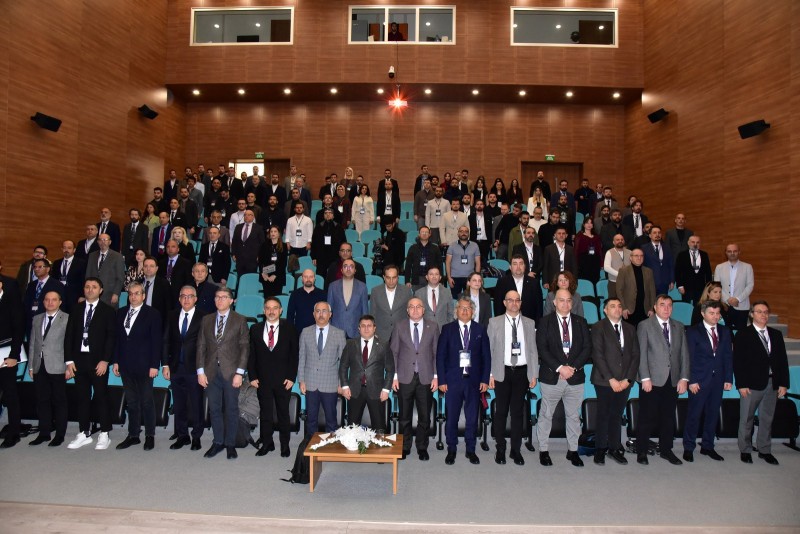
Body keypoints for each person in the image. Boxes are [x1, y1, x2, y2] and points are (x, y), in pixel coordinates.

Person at [535, 289, 592, 467]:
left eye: (568, 300)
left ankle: (573, 451)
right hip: (551, 376)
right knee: (546, 415)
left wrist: (571, 368)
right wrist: (560, 368)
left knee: (574, 416)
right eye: (561, 300)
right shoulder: (545, 322)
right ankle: (543, 450)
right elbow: (542, 348)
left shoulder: (581, 322)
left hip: (575, 377)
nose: (565, 304)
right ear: (554, 302)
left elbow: (587, 348)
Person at [635, 295, 690, 465]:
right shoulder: (645, 325)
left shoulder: (679, 326)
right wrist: (645, 378)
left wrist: (684, 378)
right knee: (646, 416)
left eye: (669, 305)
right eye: (662, 305)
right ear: (655, 307)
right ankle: (642, 451)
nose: (666, 308)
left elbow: (684, 354)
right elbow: (641, 354)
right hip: (651, 380)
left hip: (673, 380)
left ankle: (666, 450)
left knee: (668, 417)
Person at [734, 300, 790, 465]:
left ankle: (765, 450)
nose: (763, 315)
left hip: (772, 383)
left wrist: (783, 383)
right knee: (747, 419)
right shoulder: (743, 334)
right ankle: (745, 450)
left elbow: (782, 361)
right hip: (751, 385)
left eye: (766, 312)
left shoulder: (776, 334)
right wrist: (741, 384)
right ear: (752, 314)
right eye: (759, 311)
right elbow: (738, 362)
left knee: (767, 418)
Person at [436, 296, 491, 465]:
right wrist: (442, 380)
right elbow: (440, 356)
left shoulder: (480, 329)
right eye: (462, 308)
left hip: (474, 381)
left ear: (473, 312)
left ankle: (470, 450)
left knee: (472, 418)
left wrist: (485, 379)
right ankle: (451, 449)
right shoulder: (447, 329)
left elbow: (486, 357)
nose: (465, 311)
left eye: (468, 308)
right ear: (456, 311)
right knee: (452, 417)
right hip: (452, 381)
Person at [196, 287, 250, 460]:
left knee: (231, 409)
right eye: (217, 297)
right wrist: (200, 371)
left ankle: (230, 444)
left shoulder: (240, 320)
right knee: (214, 409)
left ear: (231, 300)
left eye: (224, 297)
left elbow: (244, 347)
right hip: (210, 372)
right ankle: (218, 441)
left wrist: (240, 373)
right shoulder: (207, 319)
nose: (220, 300)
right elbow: (201, 346)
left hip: (231, 372)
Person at [64, 278, 116, 450]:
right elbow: (69, 336)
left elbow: (111, 338)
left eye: (94, 287)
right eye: (87, 287)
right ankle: (83, 432)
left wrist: (105, 360)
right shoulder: (76, 309)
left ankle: (104, 433)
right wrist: (69, 360)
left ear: (101, 290)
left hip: (98, 361)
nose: (90, 290)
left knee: (101, 397)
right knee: (82, 398)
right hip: (79, 361)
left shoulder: (108, 311)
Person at [487, 290, 538, 466]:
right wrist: (490, 374)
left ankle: (515, 450)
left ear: (520, 303)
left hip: (522, 372)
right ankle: (500, 449)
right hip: (502, 371)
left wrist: (533, 374)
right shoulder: (494, 322)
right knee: (501, 412)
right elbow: (489, 350)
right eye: (510, 300)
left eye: (517, 300)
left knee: (517, 412)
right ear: (504, 302)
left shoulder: (530, 323)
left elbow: (533, 350)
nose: (514, 303)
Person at [112, 282, 162, 451]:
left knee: (147, 401)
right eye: (131, 294)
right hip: (125, 364)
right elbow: (118, 339)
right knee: (132, 402)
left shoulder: (152, 314)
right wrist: (116, 361)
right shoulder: (120, 313)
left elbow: (156, 341)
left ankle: (149, 435)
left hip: (145, 365)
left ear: (143, 296)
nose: (133, 296)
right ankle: (133, 435)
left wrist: (155, 365)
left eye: (137, 293)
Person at [682, 300, 733, 462]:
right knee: (694, 415)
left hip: (718, 380)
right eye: (712, 313)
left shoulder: (725, 331)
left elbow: (728, 356)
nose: (715, 316)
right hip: (698, 380)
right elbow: (688, 357)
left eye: (718, 313)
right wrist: (691, 380)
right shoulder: (693, 331)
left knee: (713, 414)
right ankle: (688, 447)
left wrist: (728, 378)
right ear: (703, 314)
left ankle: (707, 446)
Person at [590, 297, 640, 465]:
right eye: (612, 306)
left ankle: (614, 448)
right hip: (604, 380)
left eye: (619, 306)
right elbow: (597, 355)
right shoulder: (598, 327)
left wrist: (628, 379)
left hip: (625, 381)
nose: (617, 309)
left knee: (617, 415)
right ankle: (600, 449)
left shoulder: (630, 328)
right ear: (605, 310)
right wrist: (611, 379)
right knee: (603, 414)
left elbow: (635, 355)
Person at [390, 297, 440, 460]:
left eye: (419, 306)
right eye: (411, 307)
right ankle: (405, 446)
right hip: (404, 377)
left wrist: (436, 376)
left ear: (424, 310)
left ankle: (422, 447)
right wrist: (394, 376)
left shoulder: (433, 326)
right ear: (407, 310)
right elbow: (394, 352)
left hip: (426, 377)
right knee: (404, 416)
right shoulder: (399, 326)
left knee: (424, 416)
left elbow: (436, 353)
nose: (415, 309)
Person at [248, 297, 298, 457]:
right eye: (268, 308)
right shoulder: (255, 329)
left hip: (283, 380)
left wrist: (291, 377)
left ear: (280, 310)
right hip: (262, 380)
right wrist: (252, 376)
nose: (271, 311)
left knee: (283, 413)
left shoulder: (290, 328)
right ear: (264, 311)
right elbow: (251, 354)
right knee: (265, 414)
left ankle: (285, 445)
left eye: (275, 308)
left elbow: (294, 355)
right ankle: (267, 443)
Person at [162, 285, 206, 452]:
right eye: (183, 296)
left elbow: (206, 345)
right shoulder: (171, 315)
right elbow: (165, 340)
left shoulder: (204, 317)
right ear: (179, 299)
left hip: (195, 368)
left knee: (196, 404)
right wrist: (165, 364)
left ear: (195, 299)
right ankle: (182, 436)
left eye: (190, 296)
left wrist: (203, 369)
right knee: (179, 404)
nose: (186, 299)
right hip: (175, 367)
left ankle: (196, 437)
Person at [298, 302, 347, 434]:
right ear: (313, 314)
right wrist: (301, 380)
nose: (321, 314)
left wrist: (341, 383)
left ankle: (331, 446)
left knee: (331, 420)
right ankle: (310, 445)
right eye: (318, 311)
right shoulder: (305, 332)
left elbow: (343, 362)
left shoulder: (339, 334)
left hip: (330, 384)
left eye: (324, 311)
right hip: (310, 383)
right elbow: (302, 357)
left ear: (330, 314)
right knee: (311, 420)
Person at [27, 291, 68, 447]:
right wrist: (31, 365)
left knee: (59, 401)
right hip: (39, 365)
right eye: (47, 300)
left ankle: (60, 434)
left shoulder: (67, 319)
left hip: (58, 365)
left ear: (60, 302)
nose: (50, 302)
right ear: (43, 302)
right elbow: (33, 343)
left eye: (54, 300)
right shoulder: (37, 319)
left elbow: (69, 345)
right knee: (42, 400)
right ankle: (44, 433)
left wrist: (69, 365)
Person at [339, 315, 394, 432]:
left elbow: (390, 369)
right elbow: (343, 366)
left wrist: (386, 389)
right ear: (359, 328)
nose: (366, 328)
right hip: (354, 391)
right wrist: (344, 386)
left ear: (374, 328)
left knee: (379, 427)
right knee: (352, 427)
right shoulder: (350, 344)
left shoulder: (383, 345)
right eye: (363, 326)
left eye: (369, 326)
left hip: (377, 391)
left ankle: (378, 444)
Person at [0, 278, 24, 448]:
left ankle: (14, 432)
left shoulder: (10, 290)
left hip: (6, 351)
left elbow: (18, 325)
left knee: (10, 393)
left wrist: (14, 354)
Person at [713, 243, 754, 331]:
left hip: (741, 305)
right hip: (724, 305)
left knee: (741, 333)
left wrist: (738, 299)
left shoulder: (747, 267)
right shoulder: (719, 267)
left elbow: (750, 285)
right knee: (724, 332)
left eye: (735, 251)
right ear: (726, 253)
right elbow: (717, 286)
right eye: (729, 251)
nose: (732, 253)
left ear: (739, 252)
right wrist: (728, 299)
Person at [369, 265, 413, 344]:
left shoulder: (406, 291)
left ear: (398, 278)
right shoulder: (375, 291)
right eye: (388, 278)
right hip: (381, 335)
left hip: (402, 334)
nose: (391, 281)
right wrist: (373, 332)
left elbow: (410, 314)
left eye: (394, 277)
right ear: (384, 277)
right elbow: (372, 314)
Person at [23, 258, 64, 339]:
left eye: (40, 267)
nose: (36, 269)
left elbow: (62, 305)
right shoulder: (31, 285)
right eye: (35, 267)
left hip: (48, 321)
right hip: (31, 323)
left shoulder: (57, 285)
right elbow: (26, 304)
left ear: (48, 269)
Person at [494, 254, 542, 322]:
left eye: (521, 264)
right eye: (515, 264)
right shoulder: (502, 283)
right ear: (510, 267)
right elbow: (498, 307)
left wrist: (536, 326)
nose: (518, 267)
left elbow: (539, 308)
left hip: (529, 324)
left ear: (524, 266)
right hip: (507, 323)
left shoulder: (534, 283)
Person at [328, 259, 368, 339]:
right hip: (336, 331)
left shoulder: (362, 287)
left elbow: (365, 312)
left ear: (355, 270)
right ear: (341, 270)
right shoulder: (332, 286)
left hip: (355, 332)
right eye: (345, 266)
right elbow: (329, 310)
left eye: (351, 267)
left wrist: (364, 331)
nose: (348, 269)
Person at [617, 249, 656, 326]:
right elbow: (619, 291)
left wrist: (652, 309)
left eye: (641, 256)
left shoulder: (649, 271)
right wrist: (623, 308)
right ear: (630, 258)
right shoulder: (623, 271)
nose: (639, 258)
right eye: (636, 256)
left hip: (645, 310)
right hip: (629, 310)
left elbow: (652, 291)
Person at [287, 269, 327, 335]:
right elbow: (290, 315)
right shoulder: (295, 294)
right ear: (302, 279)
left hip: (317, 332)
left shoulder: (322, 294)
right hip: (299, 332)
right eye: (305, 277)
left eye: (311, 277)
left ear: (314, 279)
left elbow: (326, 314)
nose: (308, 279)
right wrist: (291, 332)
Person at [674, 235, 712, 304]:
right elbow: (678, 271)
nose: (695, 244)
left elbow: (708, 272)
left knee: (699, 306)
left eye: (697, 242)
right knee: (686, 306)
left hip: (701, 287)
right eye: (693, 242)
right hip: (686, 287)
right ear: (688, 243)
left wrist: (708, 287)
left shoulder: (704, 255)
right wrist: (680, 286)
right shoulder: (682, 255)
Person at [445, 225, 481, 298]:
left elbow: (478, 263)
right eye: (461, 231)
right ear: (458, 234)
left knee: (470, 300)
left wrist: (476, 277)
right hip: (455, 277)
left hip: (470, 278)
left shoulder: (475, 245)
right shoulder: (452, 245)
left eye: (466, 231)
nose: (463, 233)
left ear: (468, 234)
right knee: (455, 300)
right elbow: (448, 262)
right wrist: (449, 277)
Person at [53, 240, 86, 314]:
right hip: (59, 296)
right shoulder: (56, 263)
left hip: (74, 297)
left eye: (69, 248)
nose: (66, 250)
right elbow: (53, 279)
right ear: (62, 249)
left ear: (74, 250)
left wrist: (82, 295)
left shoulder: (81, 263)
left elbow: (83, 280)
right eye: (64, 248)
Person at [642, 225, 674, 295]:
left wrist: (672, 280)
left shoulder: (667, 248)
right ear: (650, 235)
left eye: (659, 233)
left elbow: (671, 265)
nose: (657, 234)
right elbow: (642, 266)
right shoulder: (644, 248)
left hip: (664, 283)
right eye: (654, 233)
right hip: (650, 282)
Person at [311, 208, 345, 272]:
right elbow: (314, 243)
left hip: (335, 257)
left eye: (330, 213)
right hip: (321, 256)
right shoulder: (318, 227)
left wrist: (342, 256)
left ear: (333, 216)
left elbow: (343, 242)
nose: (328, 214)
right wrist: (314, 257)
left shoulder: (339, 227)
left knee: (334, 275)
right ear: (323, 215)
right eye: (326, 213)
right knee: (321, 274)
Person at [231, 210, 265, 276]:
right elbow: (234, 241)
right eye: (245, 215)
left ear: (253, 217)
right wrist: (233, 253)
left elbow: (262, 243)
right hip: (240, 259)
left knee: (250, 278)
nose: (246, 216)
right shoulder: (238, 227)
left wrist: (260, 255)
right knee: (240, 278)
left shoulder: (258, 228)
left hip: (252, 259)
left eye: (249, 215)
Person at [256, 226, 287, 297]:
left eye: (275, 231)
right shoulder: (264, 245)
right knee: (267, 298)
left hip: (278, 276)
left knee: (276, 299)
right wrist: (263, 273)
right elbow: (260, 261)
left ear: (279, 234)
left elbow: (283, 263)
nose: (273, 233)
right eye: (271, 231)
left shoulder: (284, 246)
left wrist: (275, 275)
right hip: (266, 275)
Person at [574, 218, 602, 283]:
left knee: (595, 281)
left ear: (593, 225)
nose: (589, 224)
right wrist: (576, 264)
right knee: (585, 281)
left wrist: (601, 263)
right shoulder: (579, 236)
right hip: (583, 263)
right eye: (587, 223)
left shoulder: (597, 236)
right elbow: (576, 251)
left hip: (595, 262)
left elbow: (600, 250)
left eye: (591, 223)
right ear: (583, 224)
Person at [603, 234, 631, 299]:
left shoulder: (630, 252)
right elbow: (606, 267)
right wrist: (620, 274)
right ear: (613, 242)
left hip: (628, 283)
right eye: (617, 240)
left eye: (622, 239)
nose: (620, 241)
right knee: (614, 302)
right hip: (614, 283)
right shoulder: (609, 252)